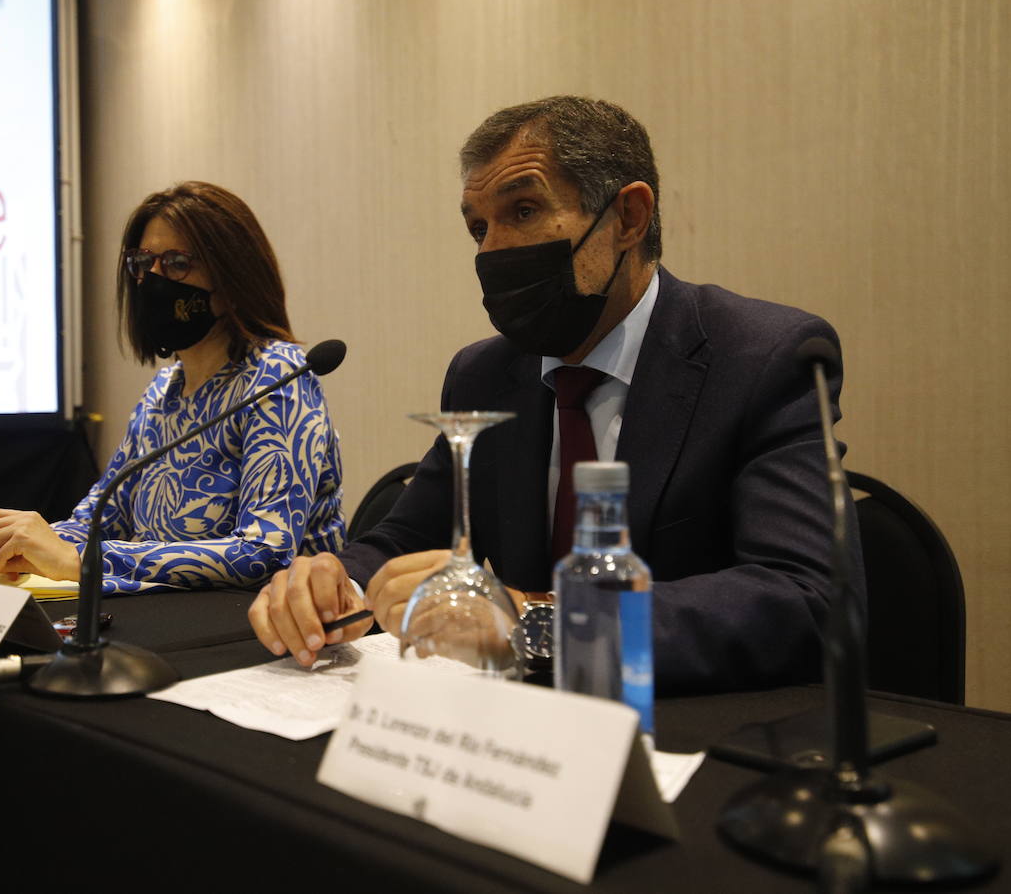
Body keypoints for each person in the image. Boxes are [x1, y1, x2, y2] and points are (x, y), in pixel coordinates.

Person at [248, 96, 863, 694]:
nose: (490, 251)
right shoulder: (484, 374)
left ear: (628, 217)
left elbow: (802, 597)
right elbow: (403, 539)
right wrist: (333, 583)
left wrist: (537, 619)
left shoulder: (763, 356)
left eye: (522, 212)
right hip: (514, 737)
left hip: (690, 731)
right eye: (478, 228)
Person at [0, 182, 345, 592]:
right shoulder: (164, 390)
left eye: (176, 263)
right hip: (166, 617)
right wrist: (26, 542)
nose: (152, 279)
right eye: (143, 262)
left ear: (234, 276)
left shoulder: (277, 377)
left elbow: (263, 552)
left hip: (263, 630)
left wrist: (85, 560)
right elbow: (100, 517)